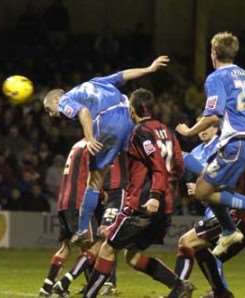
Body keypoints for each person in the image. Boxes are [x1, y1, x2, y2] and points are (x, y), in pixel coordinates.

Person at [43, 55, 169, 244]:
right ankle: (158, 190)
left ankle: (83, 229)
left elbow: (83, 112)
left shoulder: (64, 100)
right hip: (129, 116)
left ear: (55, 99)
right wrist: (149, 68)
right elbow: (123, 75)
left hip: (107, 123)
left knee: (94, 181)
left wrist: (90, 138)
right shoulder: (95, 82)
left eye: (48, 109)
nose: (51, 114)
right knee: (145, 160)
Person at [82, 89, 192, 298]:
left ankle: (89, 295)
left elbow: (157, 164)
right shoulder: (167, 131)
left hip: (144, 204)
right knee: (132, 257)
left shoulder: (140, 132)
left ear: (133, 110)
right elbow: (178, 165)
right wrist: (167, 190)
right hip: (166, 206)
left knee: (107, 248)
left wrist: (154, 194)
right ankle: (179, 286)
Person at [176, 32, 245, 256]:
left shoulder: (216, 77)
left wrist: (189, 131)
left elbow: (212, 115)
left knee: (202, 191)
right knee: (216, 190)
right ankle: (229, 230)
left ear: (213, 53)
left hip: (234, 143)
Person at [177, 124, 245, 298]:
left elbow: (218, 179)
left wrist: (184, 158)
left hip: (237, 214)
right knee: (210, 253)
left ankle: (179, 290)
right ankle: (220, 293)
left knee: (186, 243)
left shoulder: (238, 149)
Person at [39, 140, 127, 298]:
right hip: (78, 202)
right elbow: (91, 175)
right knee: (96, 244)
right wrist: (100, 192)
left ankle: (47, 286)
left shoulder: (76, 145)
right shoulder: (92, 145)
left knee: (66, 246)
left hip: (63, 202)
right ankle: (64, 283)